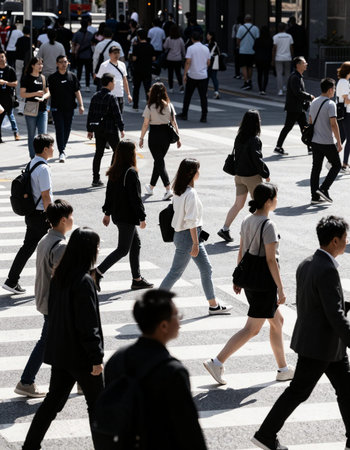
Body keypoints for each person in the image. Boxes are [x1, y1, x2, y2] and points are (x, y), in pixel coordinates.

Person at [252, 215, 350, 450]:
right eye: (345, 238)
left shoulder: (308, 263)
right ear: (335, 241)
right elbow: (334, 314)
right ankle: (265, 434)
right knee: (298, 392)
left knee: (346, 391)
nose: (347, 242)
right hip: (321, 346)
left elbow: (318, 303)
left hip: (321, 344)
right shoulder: (326, 269)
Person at [21, 227, 104, 450]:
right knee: (97, 406)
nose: (98, 250)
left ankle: (30, 446)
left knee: (53, 403)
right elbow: (88, 325)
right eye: (96, 246)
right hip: (81, 357)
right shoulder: (83, 281)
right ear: (87, 250)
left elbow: (55, 315)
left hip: (61, 353)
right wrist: (96, 359)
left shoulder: (60, 274)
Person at [93, 289, 207, 450]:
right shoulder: (172, 372)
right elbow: (189, 431)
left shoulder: (117, 359)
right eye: (176, 315)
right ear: (164, 325)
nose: (180, 321)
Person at [205, 183, 294, 385]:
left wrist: (239, 278)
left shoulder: (246, 220)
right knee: (252, 329)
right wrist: (280, 288)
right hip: (264, 283)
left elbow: (242, 252)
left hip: (251, 280)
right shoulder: (269, 225)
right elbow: (271, 260)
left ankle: (283, 368)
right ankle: (217, 362)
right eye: (276, 197)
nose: (277, 200)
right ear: (269, 201)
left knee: (277, 322)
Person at [14, 199, 74, 398]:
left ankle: (81, 379)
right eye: (71, 216)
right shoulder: (61, 246)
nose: (73, 220)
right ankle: (26, 381)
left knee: (64, 340)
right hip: (55, 303)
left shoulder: (46, 239)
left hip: (44, 297)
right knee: (47, 342)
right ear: (64, 220)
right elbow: (64, 278)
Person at [159, 158, 232, 315]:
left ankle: (213, 305)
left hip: (184, 236)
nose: (200, 172)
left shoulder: (178, 190)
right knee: (175, 272)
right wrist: (195, 243)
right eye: (198, 169)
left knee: (206, 269)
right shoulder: (190, 193)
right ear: (192, 173)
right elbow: (191, 221)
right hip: (189, 238)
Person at [90, 140, 153, 292]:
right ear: (131, 154)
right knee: (123, 249)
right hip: (127, 216)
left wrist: (107, 213)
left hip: (118, 215)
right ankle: (96, 273)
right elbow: (135, 198)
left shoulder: (115, 170)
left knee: (135, 244)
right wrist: (142, 217)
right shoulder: (130, 172)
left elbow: (109, 194)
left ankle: (136, 279)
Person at [2, 134, 54, 294]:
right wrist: (51, 217)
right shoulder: (44, 168)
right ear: (45, 149)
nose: (53, 149)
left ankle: (11, 280)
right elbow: (46, 196)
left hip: (32, 214)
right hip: (41, 216)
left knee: (28, 248)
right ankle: (52, 284)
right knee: (55, 247)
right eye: (52, 146)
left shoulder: (32, 163)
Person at [218, 109, 270, 243]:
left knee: (238, 205)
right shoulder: (255, 140)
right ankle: (252, 234)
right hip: (252, 177)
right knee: (260, 206)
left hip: (239, 176)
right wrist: (266, 174)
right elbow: (257, 159)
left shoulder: (239, 136)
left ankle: (225, 228)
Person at [139, 82, 181, 199]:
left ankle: (168, 188)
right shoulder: (169, 105)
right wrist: (178, 137)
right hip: (166, 136)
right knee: (158, 161)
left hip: (154, 135)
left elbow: (145, 124)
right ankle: (151, 187)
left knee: (159, 161)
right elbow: (174, 122)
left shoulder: (150, 106)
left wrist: (141, 138)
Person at [87, 72, 125, 187]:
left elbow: (90, 114)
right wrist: (121, 128)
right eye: (113, 82)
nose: (114, 84)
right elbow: (117, 114)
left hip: (98, 129)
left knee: (98, 153)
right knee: (117, 151)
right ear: (109, 83)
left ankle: (95, 178)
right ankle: (112, 175)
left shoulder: (95, 96)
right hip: (110, 129)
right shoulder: (111, 97)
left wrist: (89, 129)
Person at [310, 77, 342, 204]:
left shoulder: (314, 101)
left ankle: (314, 196)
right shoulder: (330, 104)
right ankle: (324, 188)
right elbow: (333, 124)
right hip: (327, 141)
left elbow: (310, 121)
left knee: (316, 168)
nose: (334, 91)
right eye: (333, 89)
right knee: (337, 165)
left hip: (315, 140)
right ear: (329, 90)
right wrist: (339, 142)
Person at [274, 56, 314, 156]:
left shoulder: (298, 76)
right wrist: (310, 97)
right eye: (304, 63)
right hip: (294, 108)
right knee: (288, 127)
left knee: (304, 127)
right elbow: (297, 92)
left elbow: (300, 92)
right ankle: (278, 147)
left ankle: (310, 147)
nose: (306, 64)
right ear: (298, 65)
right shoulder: (295, 77)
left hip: (299, 108)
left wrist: (307, 100)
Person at [48, 54, 84, 162]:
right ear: (57, 64)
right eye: (61, 62)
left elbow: (77, 91)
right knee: (59, 129)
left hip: (69, 108)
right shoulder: (53, 78)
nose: (64, 64)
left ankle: (62, 148)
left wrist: (81, 105)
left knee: (67, 129)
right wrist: (46, 105)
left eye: (65, 62)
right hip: (56, 108)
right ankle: (61, 151)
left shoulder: (72, 76)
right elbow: (49, 93)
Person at [20, 57, 50, 159]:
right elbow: (22, 94)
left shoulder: (43, 78)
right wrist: (35, 94)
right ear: (33, 65)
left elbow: (48, 92)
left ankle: (41, 157)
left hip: (42, 109)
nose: (40, 66)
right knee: (31, 135)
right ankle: (33, 157)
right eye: (38, 64)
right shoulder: (26, 78)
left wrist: (43, 97)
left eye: (41, 64)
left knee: (43, 135)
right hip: (30, 109)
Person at [177, 31, 210, 123]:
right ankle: (204, 116)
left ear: (192, 39)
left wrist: (185, 74)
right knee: (203, 97)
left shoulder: (191, 48)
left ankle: (184, 114)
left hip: (192, 75)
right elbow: (208, 62)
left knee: (188, 96)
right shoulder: (206, 48)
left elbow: (188, 62)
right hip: (203, 76)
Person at [96, 45, 132, 113]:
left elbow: (125, 80)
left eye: (118, 53)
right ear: (110, 54)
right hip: (108, 95)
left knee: (119, 115)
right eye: (114, 53)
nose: (117, 55)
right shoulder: (104, 65)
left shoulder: (122, 65)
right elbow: (100, 81)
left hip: (120, 94)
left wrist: (128, 94)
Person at [131, 29, 155, 111]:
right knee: (148, 88)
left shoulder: (136, 46)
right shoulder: (150, 46)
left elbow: (134, 58)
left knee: (136, 88)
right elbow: (153, 58)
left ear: (139, 37)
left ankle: (135, 105)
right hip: (147, 69)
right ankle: (149, 105)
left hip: (137, 70)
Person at [0, 50, 20, 142]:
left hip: (8, 96)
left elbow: (15, 83)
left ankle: (16, 132)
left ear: (5, 58)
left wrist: (6, 83)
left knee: (10, 115)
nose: (1, 59)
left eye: (2, 57)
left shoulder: (10, 69)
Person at [236, 14, 260, 91]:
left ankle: (246, 82)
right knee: (250, 67)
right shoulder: (255, 28)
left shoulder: (241, 28)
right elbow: (257, 39)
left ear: (245, 20)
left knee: (243, 67)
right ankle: (249, 80)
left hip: (243, 50)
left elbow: (238, 40)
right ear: (251, 20)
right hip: (252, 51)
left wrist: (240, 46)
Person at [336, 61, 350, 173]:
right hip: (347, 113)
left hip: (343, 112)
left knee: (343, 137)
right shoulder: (344, 82)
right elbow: (346, 99)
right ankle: (344, 164)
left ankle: (332, 160)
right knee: (348, 139)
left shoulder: (342, 81)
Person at [72, 20, 94, 92]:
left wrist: (73, 53)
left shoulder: (77, 34)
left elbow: (73, 44)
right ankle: (87, 86)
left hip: (79, 55)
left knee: (79, 71)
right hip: (88, 55)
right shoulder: (90, 34)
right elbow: (92, 45)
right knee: (87, 71)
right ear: (87, 25)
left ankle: (77, 85)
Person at [272, 22, 294, 96]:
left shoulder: (276, 37)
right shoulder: (289, 36)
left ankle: (280, 90)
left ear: (278, 28)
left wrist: (273, 59)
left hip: (278, 57)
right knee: (288, 74)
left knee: (279, 74)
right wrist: (292, 56)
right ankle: (287, 88)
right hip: (287, 57)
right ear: (285, 28)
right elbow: (291, 48)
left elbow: (274, 49)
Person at [163, 24, 185, 94]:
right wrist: (184, 56)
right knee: (178, 73)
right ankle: (181, 86)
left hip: (170, 58)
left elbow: (164, 46)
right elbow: (183, 49)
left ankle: (171, 87)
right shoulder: (180, 39)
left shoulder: (169, 39)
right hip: (178, 58)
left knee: (170, 74)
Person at [254, 25, 273, 95]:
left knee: (259, 74)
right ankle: (264, 89)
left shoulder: (258, 40)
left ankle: (260, 89)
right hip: (267, 58)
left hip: (259, 58)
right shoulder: (270, 40)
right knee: (266, 74)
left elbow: (254, 48)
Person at [206, 30, 220, 99]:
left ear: (211, 36)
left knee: (208, 77)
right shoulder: (211, 43)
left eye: (208, 35)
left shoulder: (212, 44)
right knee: (213, 77)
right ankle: (216, 92)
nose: (207, 36)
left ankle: (208, 92)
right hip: (214, 62)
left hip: (211, 62)